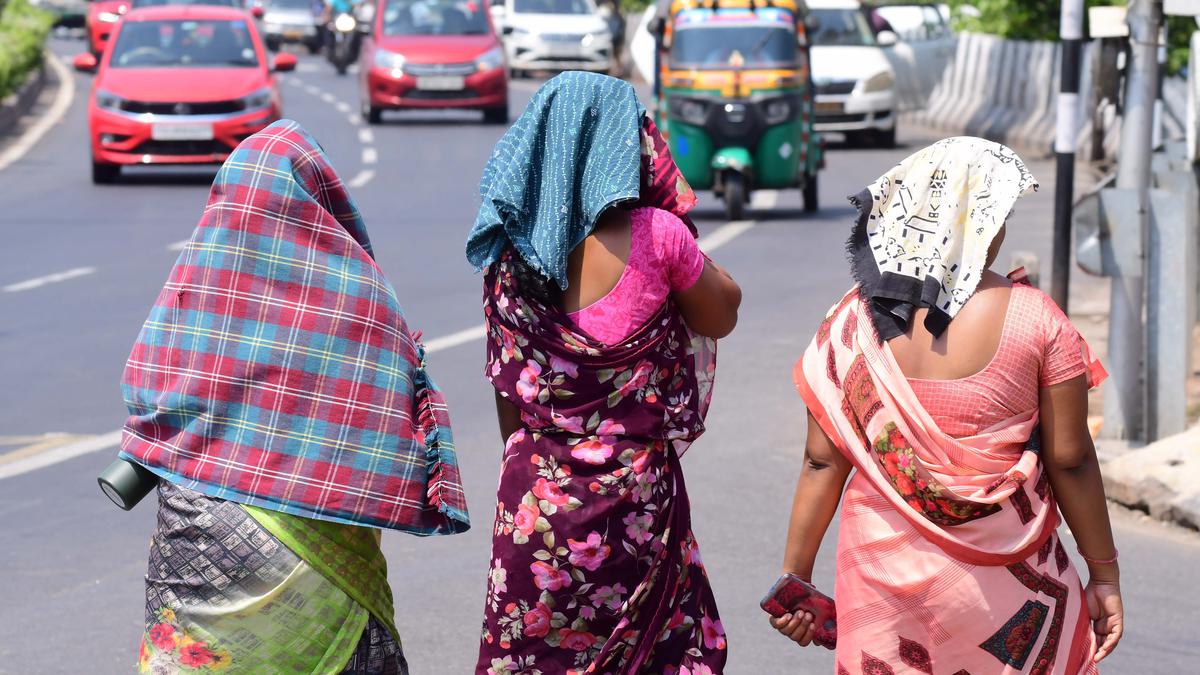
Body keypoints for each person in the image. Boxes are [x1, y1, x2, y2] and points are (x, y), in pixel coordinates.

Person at [120, 120, 470, 674]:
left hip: (200, 541)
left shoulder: (193, 288)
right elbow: (389, 431)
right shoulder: (361, 299)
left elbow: (146, 397)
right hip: (321, 549)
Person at [772, 137, 1123, 673]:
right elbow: (1070, 459)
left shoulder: (850, 324)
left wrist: (795, 578)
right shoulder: (1038, 319)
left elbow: (822, 462)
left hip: (879, 577)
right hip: (1006, 585)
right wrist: (1103, 574)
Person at [466, 72, 742, 674]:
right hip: (637, 505)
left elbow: (507, 391)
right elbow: (722, 315)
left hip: (536, 506)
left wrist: (540, 475)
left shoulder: (509, 253)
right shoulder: (659, 236)